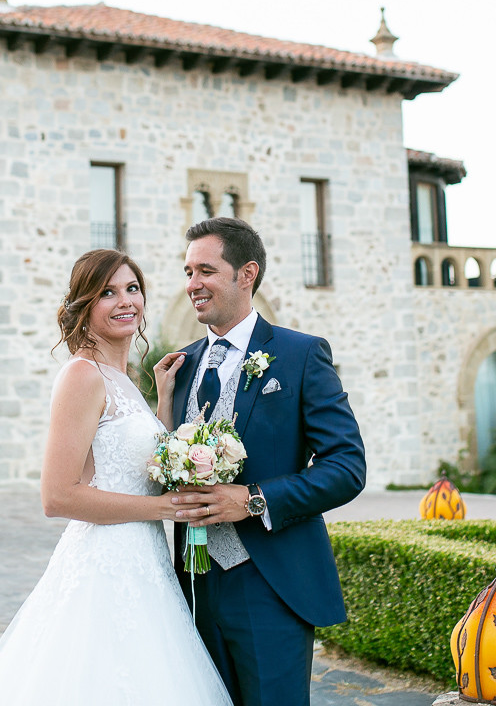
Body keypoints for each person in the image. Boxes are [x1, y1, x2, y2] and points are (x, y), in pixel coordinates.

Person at [0, 249, 232, 706]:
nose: (126, 301)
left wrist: (162, 402)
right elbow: (58, 496)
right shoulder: (82, 376)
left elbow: (139, 469)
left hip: (144, 560)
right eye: (107, 292)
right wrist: (163, 509)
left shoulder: (122, 378)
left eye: (132, 288)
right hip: (105, 563)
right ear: (84, 306)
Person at [156, 218, 367, 706]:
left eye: (205, 270)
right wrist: (163, 407)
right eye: (188, 271)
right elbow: (167, 465)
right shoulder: (180, 367)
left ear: (246, 273)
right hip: (192, 585)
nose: (192, 285)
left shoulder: (300, 354)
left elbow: (347, 465)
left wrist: (251, 499)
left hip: (270, 583)